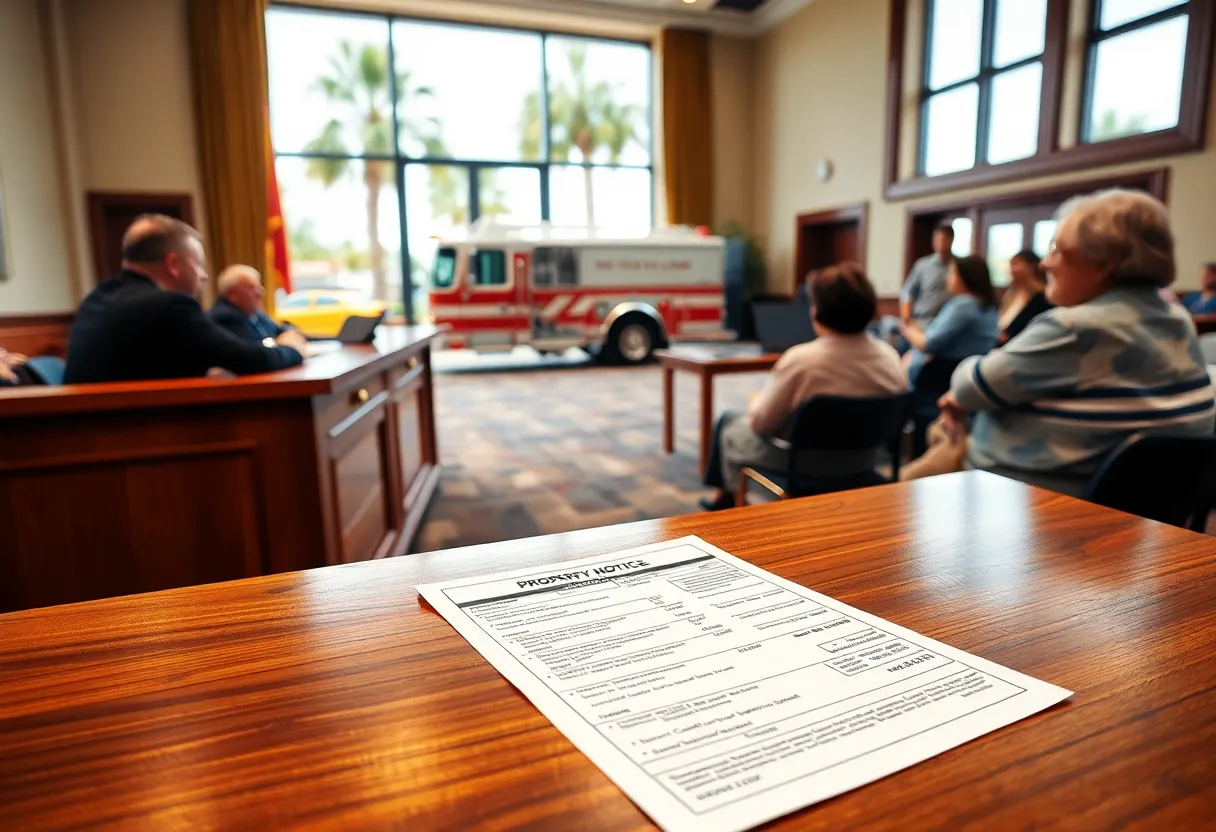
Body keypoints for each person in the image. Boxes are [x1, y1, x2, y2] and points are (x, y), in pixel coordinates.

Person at [902, 189, 1215, 496]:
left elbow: (970, 386)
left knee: (906, 484)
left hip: (1035, 502)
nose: (1045, 263)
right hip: (1150, 509)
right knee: (940, 433)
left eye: (1056, 248)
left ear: (1104, 263)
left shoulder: (1076, 327)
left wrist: (965, 389)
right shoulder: (1176, 318)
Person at [699, 263, 907, 511]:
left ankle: (726, 502)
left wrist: (755, 401)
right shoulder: (890, 357)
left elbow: (761, 424)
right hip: (865, 461)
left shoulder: (802, 360)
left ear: (818, 312)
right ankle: (723, 498)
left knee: (728, 424)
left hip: (805, 465)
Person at [64, 215, 307, 384]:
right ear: (173, 264)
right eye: (198, 264)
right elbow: (253, 361)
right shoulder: (170, 306)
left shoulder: (96, 299)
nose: (204, 276)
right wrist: (292, 348)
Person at [900, 255, 999, 384]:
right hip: (970, 374)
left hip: (944, 376)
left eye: (952, 273)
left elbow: (928, 344)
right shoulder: (988, 305)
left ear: (964, 278)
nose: (947, 278)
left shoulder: (963, 305)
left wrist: (906, 327)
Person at [209, 265, 291, 345]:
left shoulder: (253, 312)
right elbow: (258, 351)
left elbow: (280, 330)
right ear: (232, 294)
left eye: (259, 287)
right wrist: (283, 342)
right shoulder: (225, 317)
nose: (261, 293)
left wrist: (294, 335)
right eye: (251, 288)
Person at [901, 224, 955, 325]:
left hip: (949, 321)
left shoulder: (958, 266)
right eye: (937, 240)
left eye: (944, 240)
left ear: (951, 240)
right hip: (923, 320)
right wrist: (906, 317)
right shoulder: (922, 266)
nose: (940, 243)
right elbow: (908, 292)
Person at [997, 250, 1053, 345]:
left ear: (1032, 266)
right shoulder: (1012, 293)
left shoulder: (1042, 297)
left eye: (1016, 264)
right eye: (1011, 265)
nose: (1011, 269)